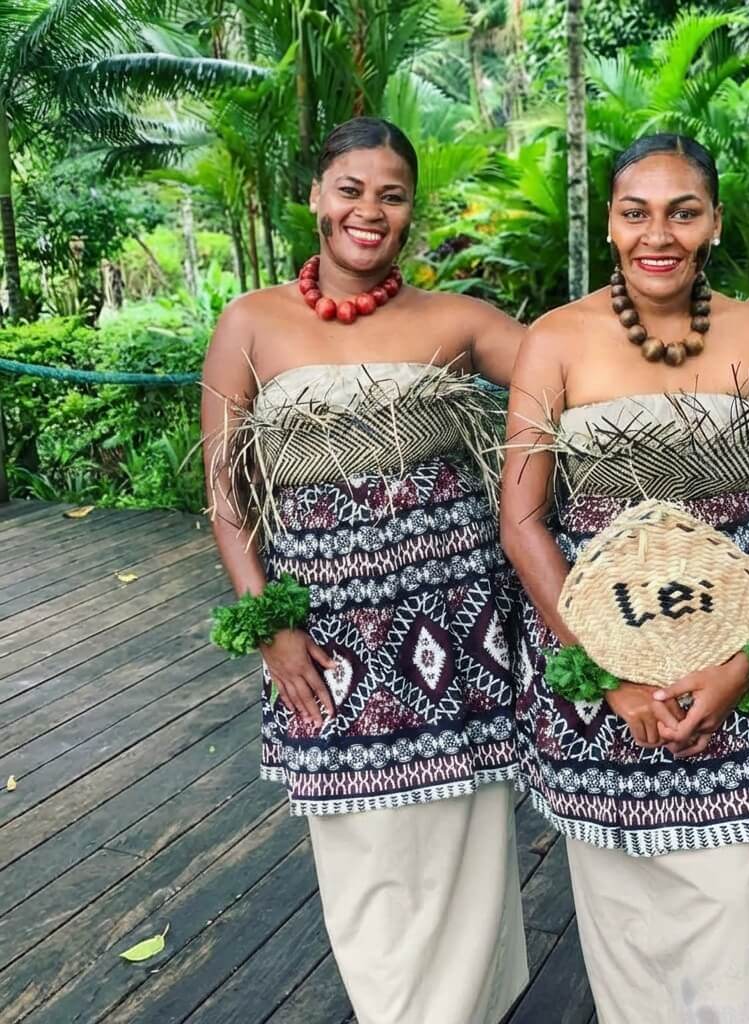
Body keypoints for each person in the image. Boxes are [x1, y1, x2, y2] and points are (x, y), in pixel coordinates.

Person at [200, 117, 529, 1024]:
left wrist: (715, 321)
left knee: (466, 847)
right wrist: (268, 623)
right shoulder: (252, 323)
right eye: (351, 188)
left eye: (391, 195)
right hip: (328, 635)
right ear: (316, 196)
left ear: (410, 211)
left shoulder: (454, 319)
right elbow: (227, 493)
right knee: (369, 863)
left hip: (458, 626)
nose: (369, 211)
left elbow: (578, 370)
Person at [500, 133, 749, 1024]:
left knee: (734, 926)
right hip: (602, 685)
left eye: (684, 211)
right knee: (627, 931)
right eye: (636, 211)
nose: (660, 234)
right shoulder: (556, 341)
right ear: (610, 222)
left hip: (743, 673)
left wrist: (746, 660)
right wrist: (607, 674)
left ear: (714, 222)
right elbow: (524, 522)